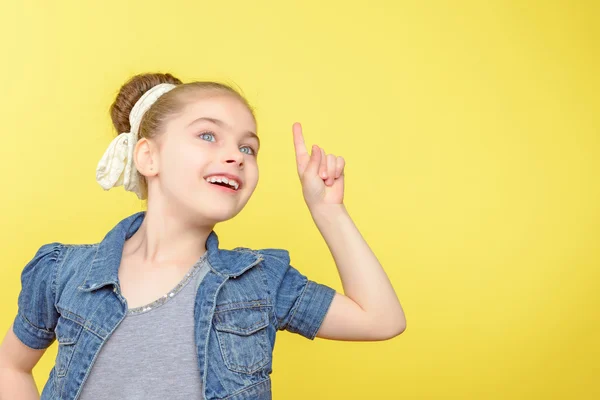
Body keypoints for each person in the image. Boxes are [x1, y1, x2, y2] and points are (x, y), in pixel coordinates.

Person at [0, 73, 406, 400]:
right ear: (148, 156)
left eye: (248, 148)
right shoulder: (63, 273)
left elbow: (382, 319)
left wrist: (328, 210)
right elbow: (11, 366)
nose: (236, 155)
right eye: (208, 135)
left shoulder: (258, 282)